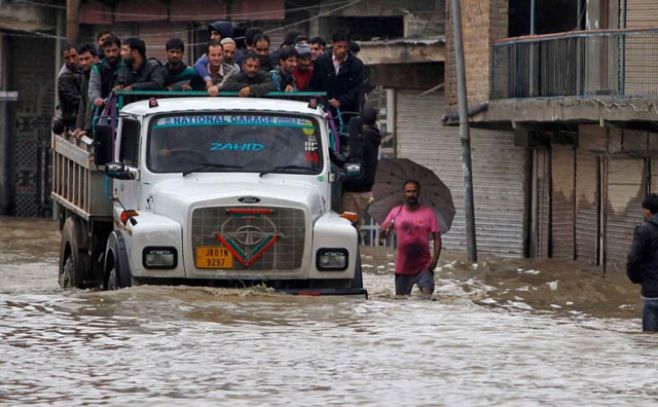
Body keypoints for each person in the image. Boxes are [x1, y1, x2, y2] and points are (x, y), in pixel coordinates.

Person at [380, 180, 441, 296]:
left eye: (414, 191)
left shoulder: (428, 213)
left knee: (427, 298)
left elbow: (437, 237)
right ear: (404, 193)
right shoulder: (396, 212)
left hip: (424, 266)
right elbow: (382, 238)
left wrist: (435, 259)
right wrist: (385, 230)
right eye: (408, 191)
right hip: (403, 268)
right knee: (402, 303)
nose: (411, 194)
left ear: (418, 193)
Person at [309, 30, 365, 118]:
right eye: (339, 46)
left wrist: (341, 101)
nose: (342, 50)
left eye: (345, 47)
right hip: (324, 113)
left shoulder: (356, 65)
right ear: (333, 44)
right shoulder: (321, 62)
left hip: (347, 114)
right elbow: (314, 86)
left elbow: (357, 89)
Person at [341, 108, 381, 226]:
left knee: (349, 225)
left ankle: (354, 242)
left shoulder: (361, 139)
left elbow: (355, 160)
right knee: (356, 223)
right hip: (366, 191)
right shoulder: (374, 136)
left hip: (354, 191)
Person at [627, 193, 658, 331]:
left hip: (653, 294)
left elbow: (633, 258)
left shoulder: (644, 230)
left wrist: (637, 278)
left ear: (647, 211)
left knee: (648, 343)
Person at [89, 35, 122, 110]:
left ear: (119, 49)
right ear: (103, 51)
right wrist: (97, 99)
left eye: (114, 50)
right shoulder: (97, 68)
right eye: (108, 51)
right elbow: (93, 88)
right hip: (103, 111)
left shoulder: (126, 66)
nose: (111, 54)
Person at [74, 43, 99, 135]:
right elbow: (83, 102)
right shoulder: (85, 75)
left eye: (87, 59)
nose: (84, 62)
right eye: (81, 59)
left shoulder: (100, 73)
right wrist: (79, 126)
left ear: (96, 58)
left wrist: (87, 129)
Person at [57, 43, 82, 132]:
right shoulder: (65, 76)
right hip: (73, 121)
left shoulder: (81, 68)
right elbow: (75, 100)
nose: (71, 60)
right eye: (67, 58)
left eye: (74, 56)